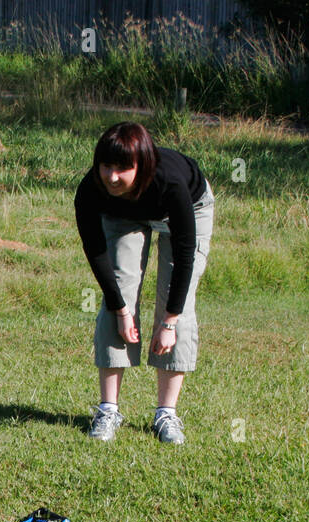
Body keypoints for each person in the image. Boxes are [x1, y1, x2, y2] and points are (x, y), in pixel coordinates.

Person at [74, 122, 214, 443]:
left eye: (123, 168)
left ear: (142, 165)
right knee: (118, 293)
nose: (112, 176)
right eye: (106, 166)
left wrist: (169, 321)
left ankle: (166, 414)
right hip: (123, 214)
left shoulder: (172, 184)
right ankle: (108, 408)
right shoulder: (92, 189)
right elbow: (96, 250)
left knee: (177, 301)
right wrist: (122, 311)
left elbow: (184, 257)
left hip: (190, 207)